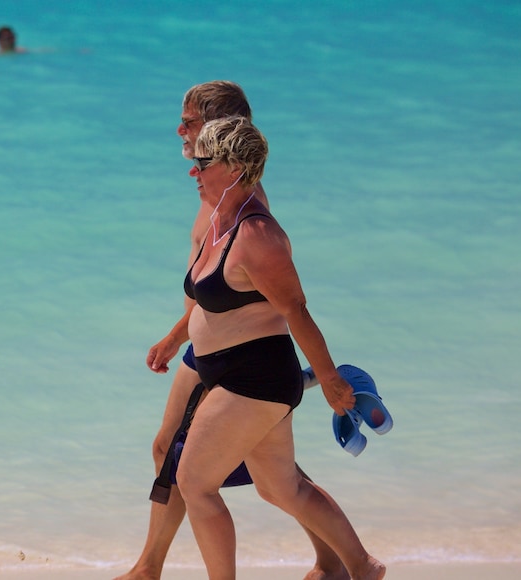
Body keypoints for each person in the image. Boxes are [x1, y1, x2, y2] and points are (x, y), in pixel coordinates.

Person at [116, 81, 347, 580]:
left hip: (239, 357)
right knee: (205, 458)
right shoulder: (216, 192)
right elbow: (207, 283)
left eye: (191, 122)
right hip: (208, 346)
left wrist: (327, 377)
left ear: (224, 133)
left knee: (211, 469)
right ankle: (149, 565)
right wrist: (178, 334)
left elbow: (282, 300)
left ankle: (150, 568)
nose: (181, 132)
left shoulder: (246, 209)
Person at [168, 116, 385, 578]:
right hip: (239, 377)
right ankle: (363, 567)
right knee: (280, 486)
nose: (193, 171)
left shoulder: (256, 236)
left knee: (194, 482)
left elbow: (297, 311)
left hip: (254, 379)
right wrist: (173, 339)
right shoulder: (220, 222)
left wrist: (328, 378)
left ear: (232, 167)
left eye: (203, 163)